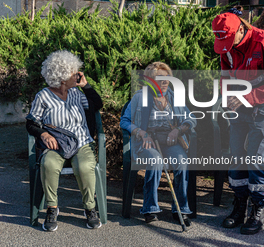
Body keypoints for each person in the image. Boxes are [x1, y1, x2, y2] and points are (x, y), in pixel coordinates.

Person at [212, 12, 264, 235]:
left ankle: (258, 211)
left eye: (229, 40)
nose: (226, 47)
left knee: (257, 158)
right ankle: (240, 206)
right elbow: (225, 77)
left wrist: (245, 97)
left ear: (241, 28)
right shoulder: (226, 47)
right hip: (240, 106)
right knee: (236, 157)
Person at [26, 50, 103, 231]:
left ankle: (90, 208)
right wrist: (44, 134)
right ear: (62, 78)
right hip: (56, 143)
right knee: (49, 164)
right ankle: (52, 208)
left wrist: (86, 86)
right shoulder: (43, 96)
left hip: (82, 141)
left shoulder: (76, 93)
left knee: (84, 166)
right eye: (73, 72)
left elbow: (97, 105)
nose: (78, 74)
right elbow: (31, 122)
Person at [120, 62, 197, 226]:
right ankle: (150, 208)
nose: (164, 82)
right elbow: (125, 121)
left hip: (170, 139)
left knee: (182, 162)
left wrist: (178, 130)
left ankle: (181, 209)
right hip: (147, 140)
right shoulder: (140, 97)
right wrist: (142, 133)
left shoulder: (174, 97)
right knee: (155, 161)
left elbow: (191, 119)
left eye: (166, 78)